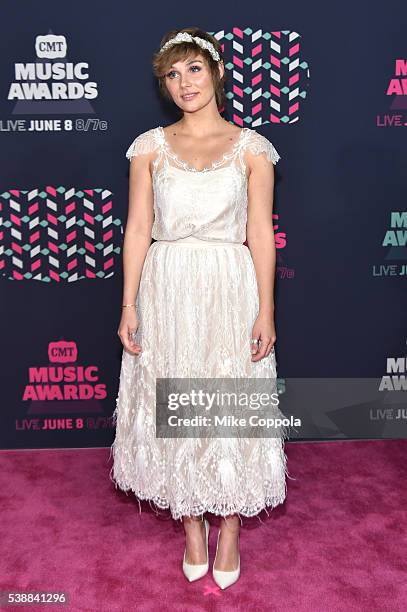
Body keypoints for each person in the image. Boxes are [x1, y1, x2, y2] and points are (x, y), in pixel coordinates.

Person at [109, 26, 290, 590]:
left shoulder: (252, 148)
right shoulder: (149, 148)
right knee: (177, 401)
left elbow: (260, 233)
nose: (184, 82)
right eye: (172, 73)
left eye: (193, 69)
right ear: (164, 84)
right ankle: (191, 526)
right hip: (167, 287)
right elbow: (138, 229)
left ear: (214, 73)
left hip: (228, 286)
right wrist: (129, 302)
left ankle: (229, 527)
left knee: (228, 401)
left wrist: (266, 312)